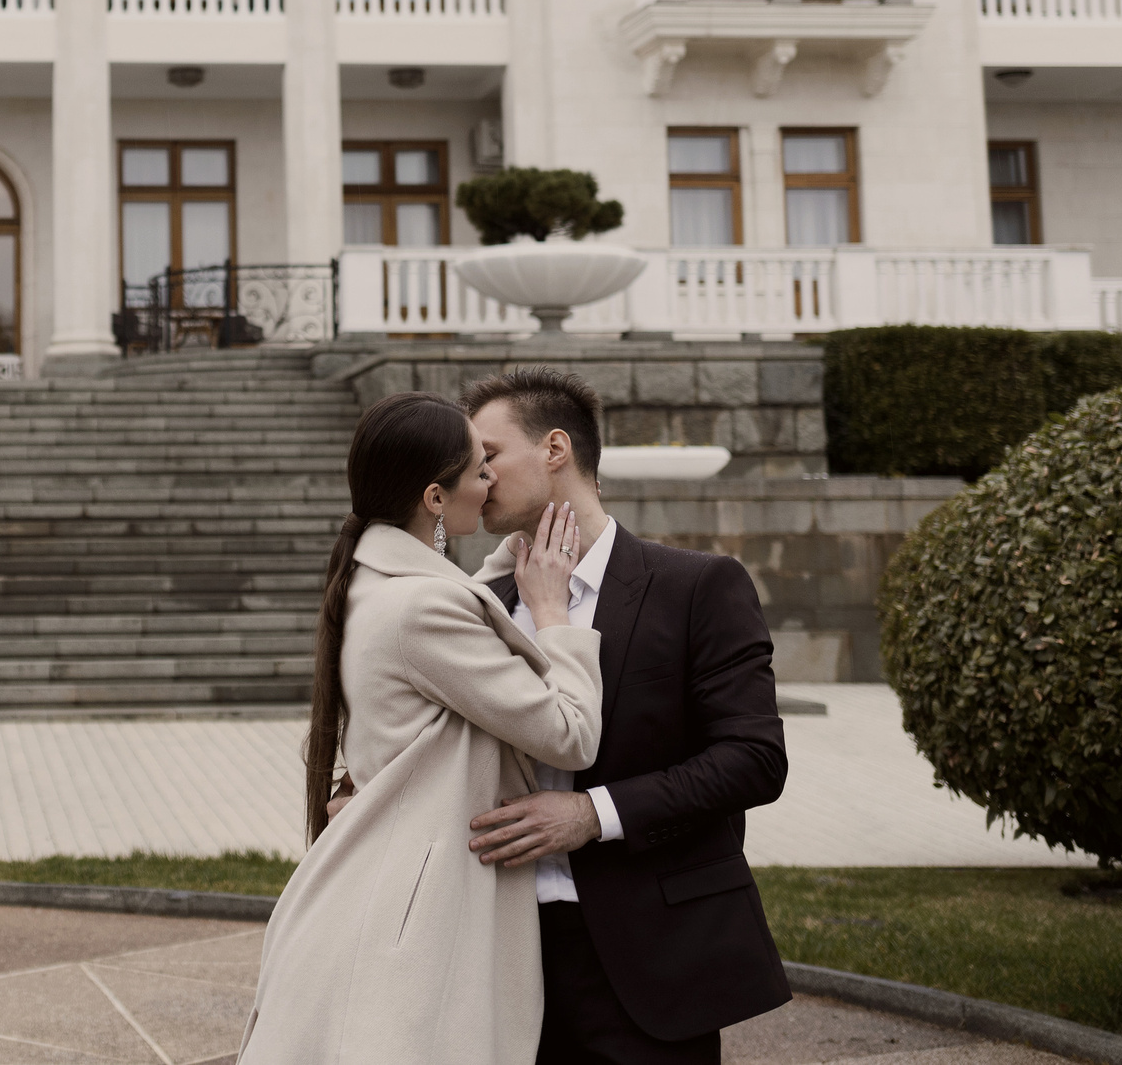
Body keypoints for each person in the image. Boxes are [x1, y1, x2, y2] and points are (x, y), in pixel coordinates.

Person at [240, 391, 602, 1065]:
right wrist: (554, 613)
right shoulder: (423, 608)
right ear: (436, 498)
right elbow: (568, 731)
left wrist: (518, 548)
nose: (491, 481)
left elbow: (461, 599)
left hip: (372, 903)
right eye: (478, 469)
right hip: (418, 932)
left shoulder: (373, 578)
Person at [461, 368, 789, 1065]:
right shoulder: (475, 602)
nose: (475, 475)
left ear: (555, 448)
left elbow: (753, 758)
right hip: (496, 954)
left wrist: (592, 814)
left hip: (652, 956)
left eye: (488, 454)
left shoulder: (697, 586)